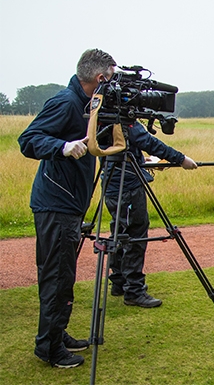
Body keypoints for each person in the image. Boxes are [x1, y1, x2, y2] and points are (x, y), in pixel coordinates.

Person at [18, 49, 117, 368]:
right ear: (100, 78)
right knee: (57, 277)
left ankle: (56, 335)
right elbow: (29, 139)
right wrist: (61, 147)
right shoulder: (66, 102)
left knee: (63, 275)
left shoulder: (90, 105)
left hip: (68, 203)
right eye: (111, 78)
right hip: (55, 203)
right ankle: (49, 348)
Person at [103, 120, 197, 308]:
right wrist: (180, 158)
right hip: (127, 186)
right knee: (135, 235)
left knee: (120, 231)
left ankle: (119, 282)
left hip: (112, 184)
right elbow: (147, 141)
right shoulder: (122, 119)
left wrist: (140, 160)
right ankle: (134, 291)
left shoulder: (102, 118)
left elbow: (121, 148)